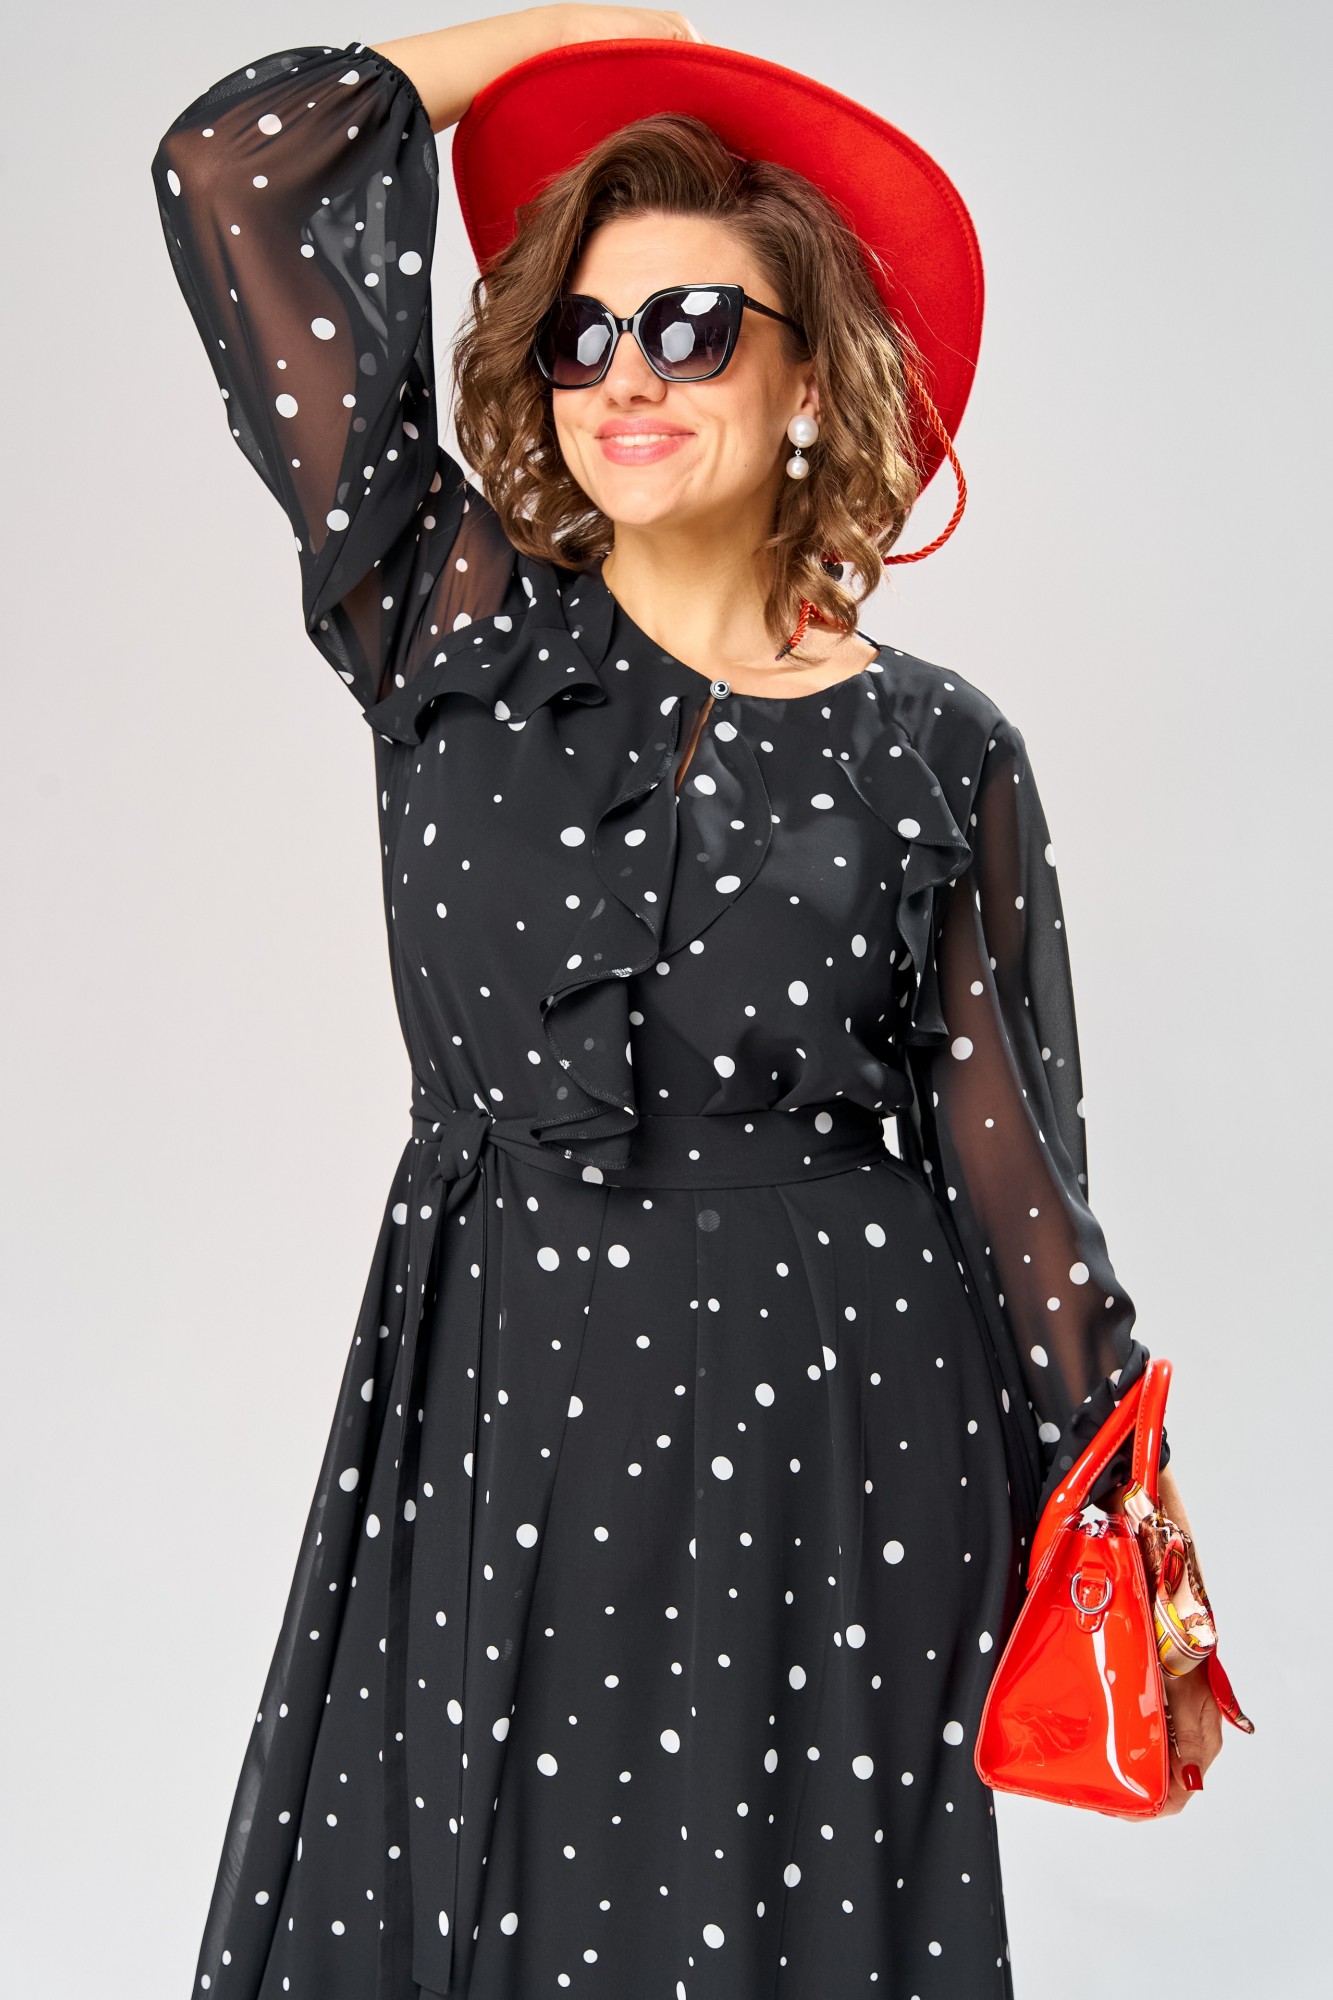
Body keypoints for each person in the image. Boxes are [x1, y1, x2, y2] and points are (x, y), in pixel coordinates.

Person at [151, 9, 1225, 1994]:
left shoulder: (935, 747)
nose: (624, 376)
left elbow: (1016, 1177)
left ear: (808, 375)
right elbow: (232, 174)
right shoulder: (451, 631)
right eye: (579, 336)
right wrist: (583, 37)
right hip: (502, 1375)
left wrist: (1124, 1528)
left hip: (840, 1429)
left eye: (691, 329)